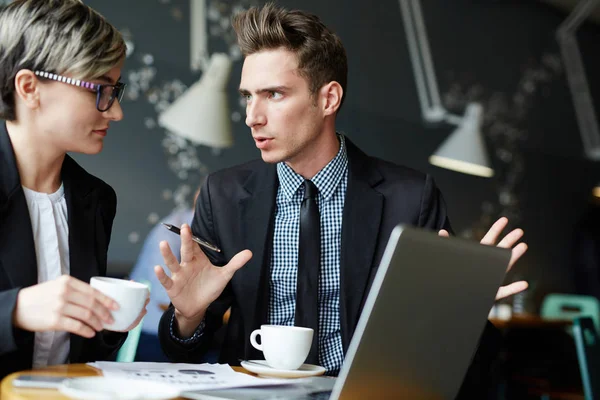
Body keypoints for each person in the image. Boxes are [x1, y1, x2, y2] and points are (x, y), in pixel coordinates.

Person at [155, 3, 528, 396]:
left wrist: (461, 318)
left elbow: (463, 362)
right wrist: (188, 315)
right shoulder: (224, 194)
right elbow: (184, 353)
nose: (252, 116)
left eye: (274, 94)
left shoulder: (411, 198)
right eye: (248, 96)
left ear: (328, 98)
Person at [0, 0, 147, 379]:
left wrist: (116, 318)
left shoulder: (95, 199)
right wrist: (14, 310)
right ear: (29, 87)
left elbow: (88, 351)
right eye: (99, 89)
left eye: (115, 90)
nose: (115, 112)